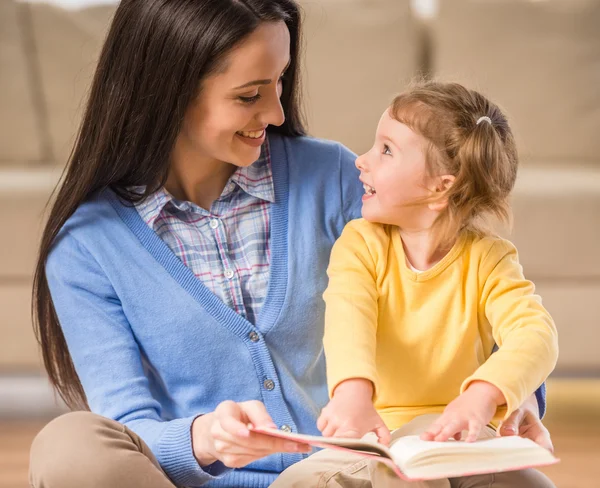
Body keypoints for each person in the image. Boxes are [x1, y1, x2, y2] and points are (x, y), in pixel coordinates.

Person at [28, 1, 552, 487]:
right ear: (168, 92)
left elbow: (468, 302)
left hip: (364, 476)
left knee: (517, 478)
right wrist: (206, 436)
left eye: (280, 81)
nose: (277, 113)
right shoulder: (87, 246)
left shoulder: (337, 179)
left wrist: (510, 397)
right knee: (68, 446)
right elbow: (129, 429)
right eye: (249, 95)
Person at [271, 81, 558, 488]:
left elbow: (535, 333)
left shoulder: (490, 258)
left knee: (531, 483)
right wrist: (352, 393)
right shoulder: (361, 244)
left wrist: (482, 397)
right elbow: (348, 318)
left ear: (440, 187)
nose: (362, 161)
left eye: (386, 150)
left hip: (466, 437)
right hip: (378, 435)